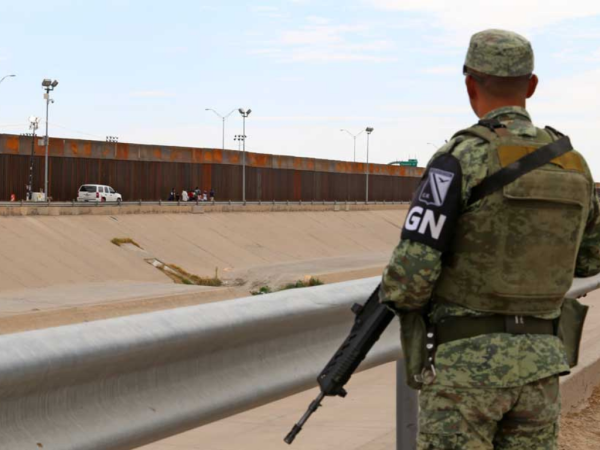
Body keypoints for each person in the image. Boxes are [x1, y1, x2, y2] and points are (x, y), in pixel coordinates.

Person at [380, 29, 600, 449]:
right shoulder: (574, 163)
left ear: (469, 85)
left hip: (465, 373)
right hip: (540, 368)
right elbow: (590, 260)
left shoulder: (459, 158)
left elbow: (409, 278)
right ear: (531, 86)